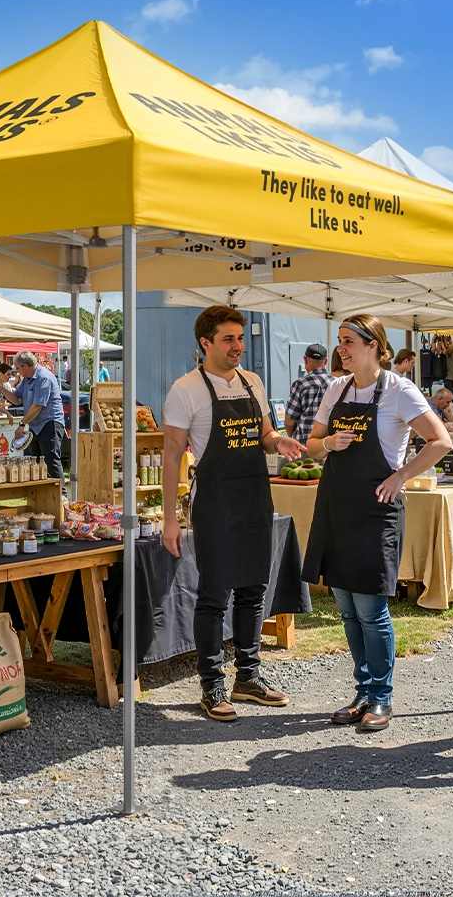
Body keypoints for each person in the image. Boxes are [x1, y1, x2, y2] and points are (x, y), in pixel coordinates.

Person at [303, 314, 451, 731]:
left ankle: (381, 697)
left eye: (349, 341)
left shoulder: (400, 391)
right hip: (336, 505)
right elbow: (313, 447)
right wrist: (329, 442)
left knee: (370, 607)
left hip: (376, 510)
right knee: (347, 608)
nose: (341, 349)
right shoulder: (336, 388)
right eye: (339, 342)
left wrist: (400, 475)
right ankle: (364, 690)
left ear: (374, 345)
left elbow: (441, 441)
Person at [162, 305, 301, 721]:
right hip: (215, 503)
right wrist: (170, 518)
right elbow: (172, 456)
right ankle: (211, 684)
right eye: (228, 339)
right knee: (214, 594)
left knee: (254, 590)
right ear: (205, 343)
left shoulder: (252, 382)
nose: (238, 346)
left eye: (240, 338)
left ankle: (248, 677)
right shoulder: (185, 389)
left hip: (256, 498)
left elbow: (264, 434)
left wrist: (280, 444)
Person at [5, 351, 66, 485]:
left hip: (50, 423)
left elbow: (38, 406)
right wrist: (1, 389)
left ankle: (62, 494)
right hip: (35, 426)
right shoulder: (26, 380)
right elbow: (16, 399)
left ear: (26, 366)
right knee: (35, 462)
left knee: (51, 461)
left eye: (17, 368)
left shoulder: (43, 377)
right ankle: (42, 495)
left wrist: (22, 424)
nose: (16, 371)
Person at [285, 343, 333, 446]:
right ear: (326, 361)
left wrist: (292, 437)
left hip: (303, 445)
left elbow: (289, 421)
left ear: (305, 359)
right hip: (328, 446)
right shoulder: (337, 383)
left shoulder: (300, 384)